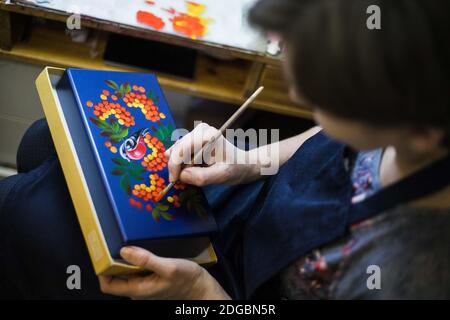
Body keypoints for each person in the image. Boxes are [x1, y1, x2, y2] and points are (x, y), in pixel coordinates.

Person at [98, 0, 450, 299]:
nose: (297, 97)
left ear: (420, 129)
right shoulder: (404, 125)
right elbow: (323, 137)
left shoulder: (406, 278)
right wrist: (249, 161)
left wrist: (200, 293)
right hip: (241, 215)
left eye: (322, 97)